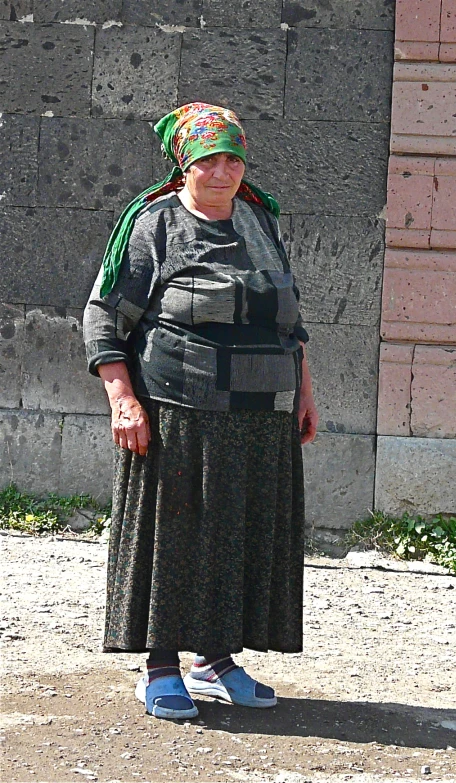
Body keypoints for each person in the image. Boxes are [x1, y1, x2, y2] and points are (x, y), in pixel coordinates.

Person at [83, 102, 318, 721]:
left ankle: (215, 659)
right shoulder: (154, 224)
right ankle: (160, 666)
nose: (222, 172)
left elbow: (288, 317)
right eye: (208, 160)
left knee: (237, 534)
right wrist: (123, 398)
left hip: (261, 414)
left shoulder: (260, 219)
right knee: (174, 540)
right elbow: (106, 313)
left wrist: (305, 391)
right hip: (177, 411)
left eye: (232, 159)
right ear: (184, 167)